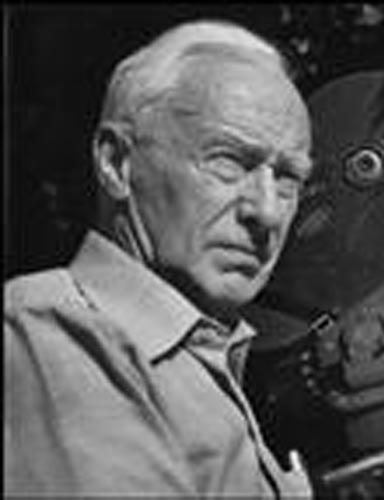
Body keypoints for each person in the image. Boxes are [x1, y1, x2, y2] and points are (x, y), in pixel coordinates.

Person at [4, 20, 312, 497]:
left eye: (288, 177)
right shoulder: (51, 335)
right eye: (228, 162)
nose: (267, 212)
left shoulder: (198, 355)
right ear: (116, 164)